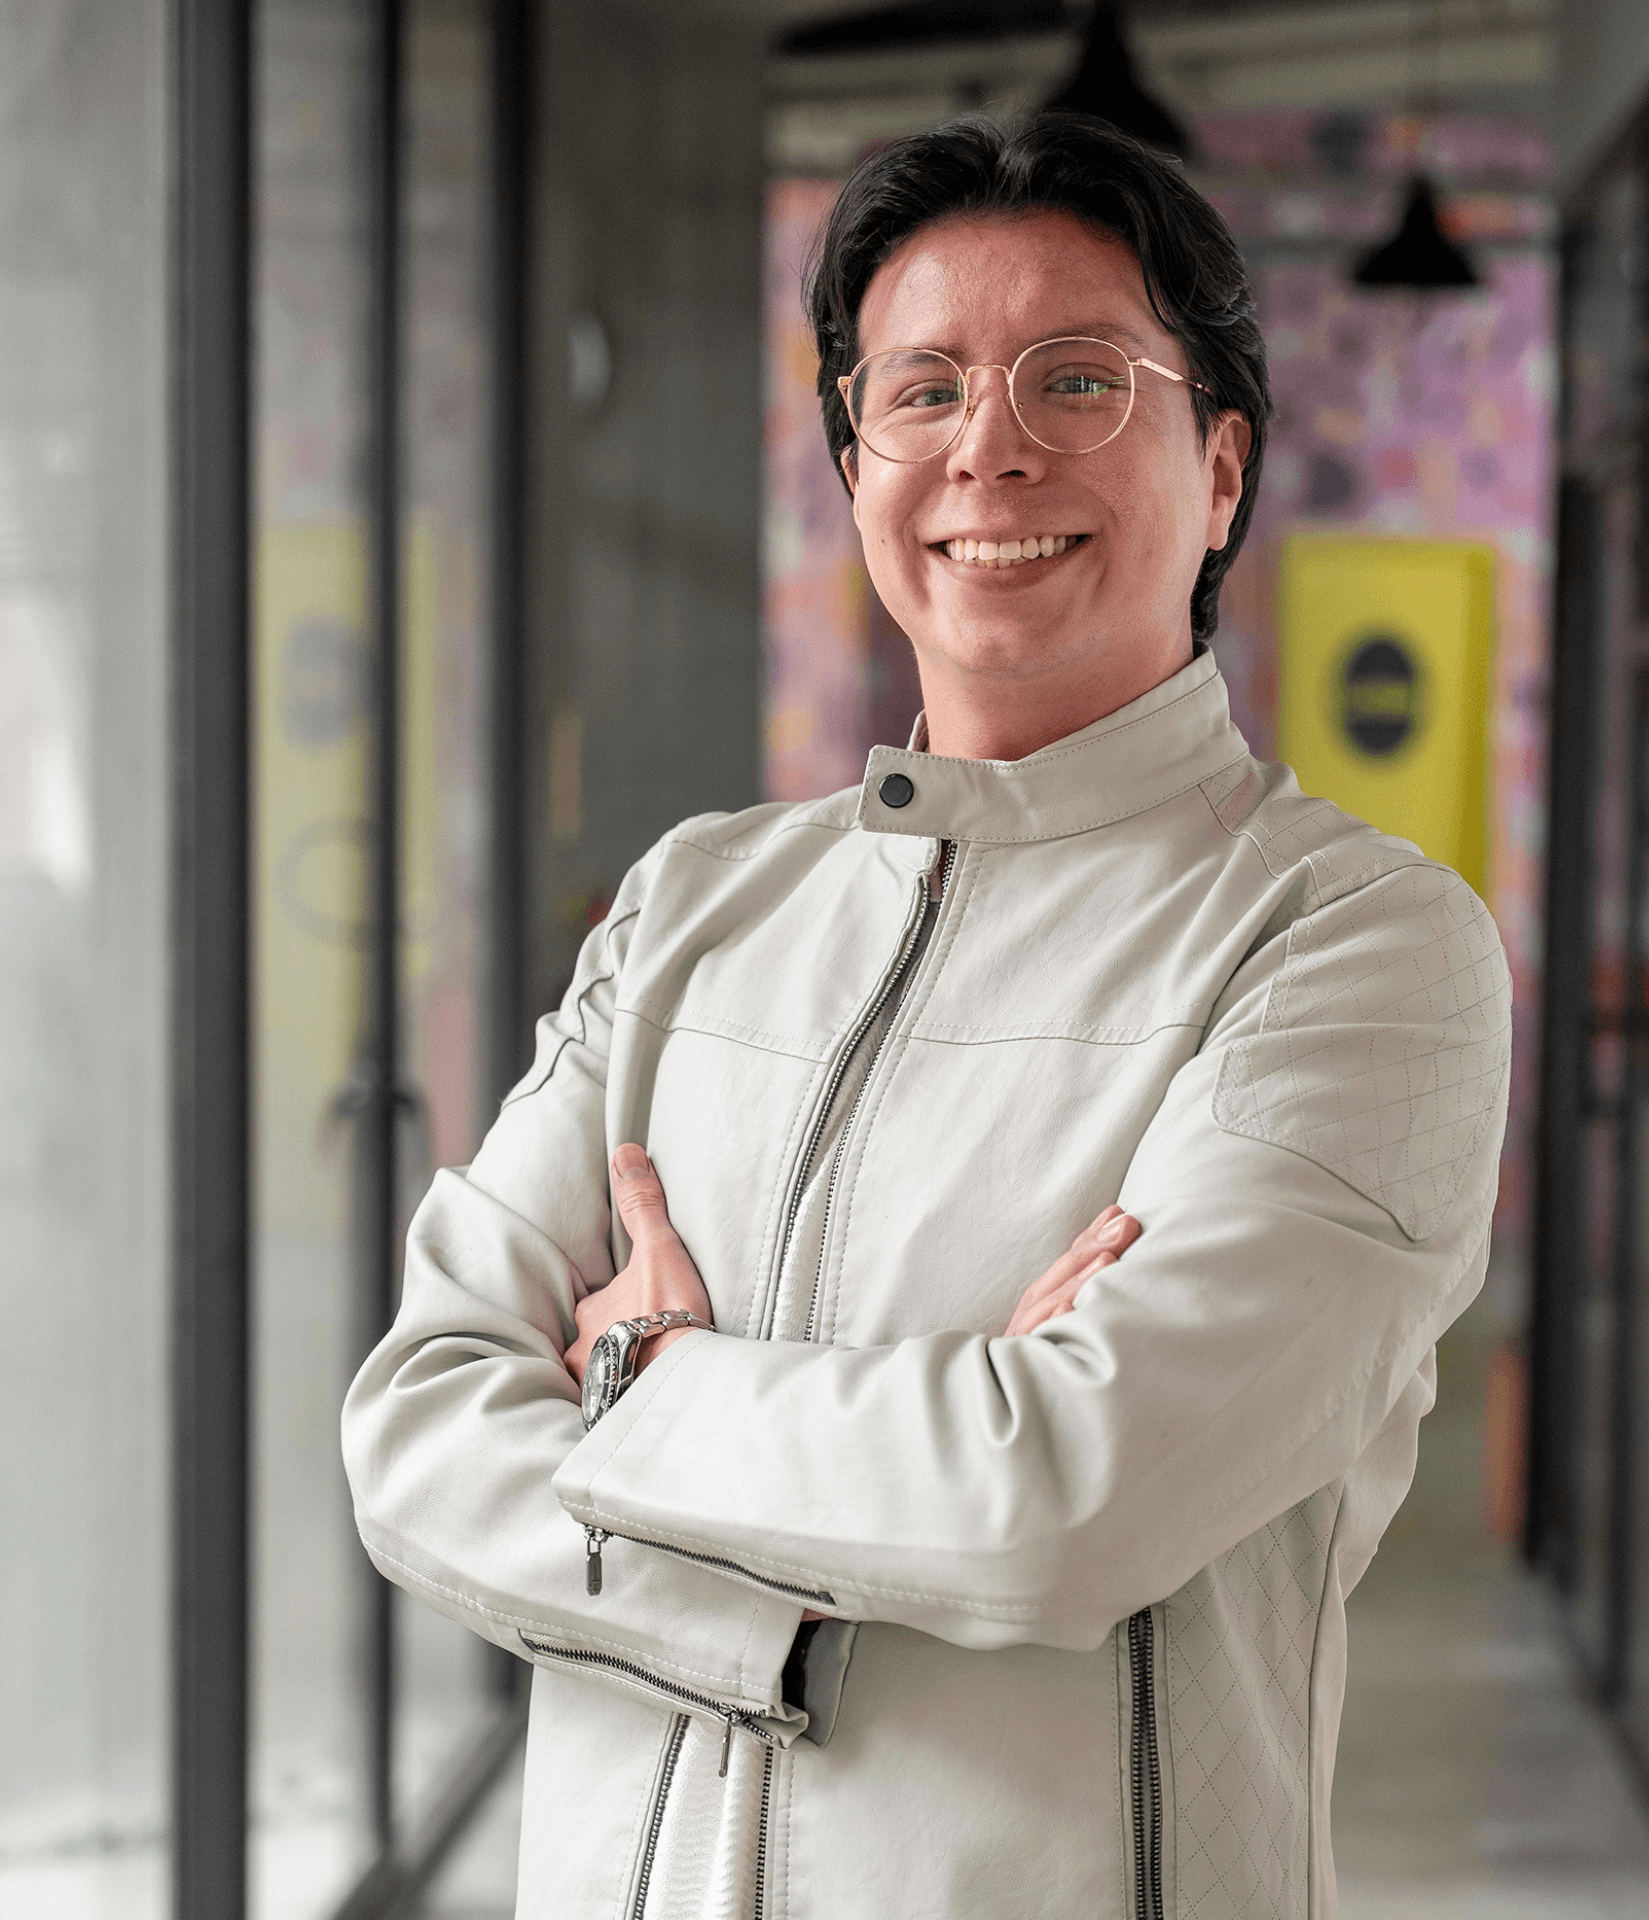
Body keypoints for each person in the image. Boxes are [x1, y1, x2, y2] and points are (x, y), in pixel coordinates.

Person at [344, 111, 1510, 1920]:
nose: (991, 448)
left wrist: (637, 1379)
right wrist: (785, 1611)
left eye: (1079, 381)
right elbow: (417, 1417)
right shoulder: (694, 907)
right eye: (922, 388)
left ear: (1221, 469)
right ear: (851, 456)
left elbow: (1063, 1495)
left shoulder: (1354, 945)